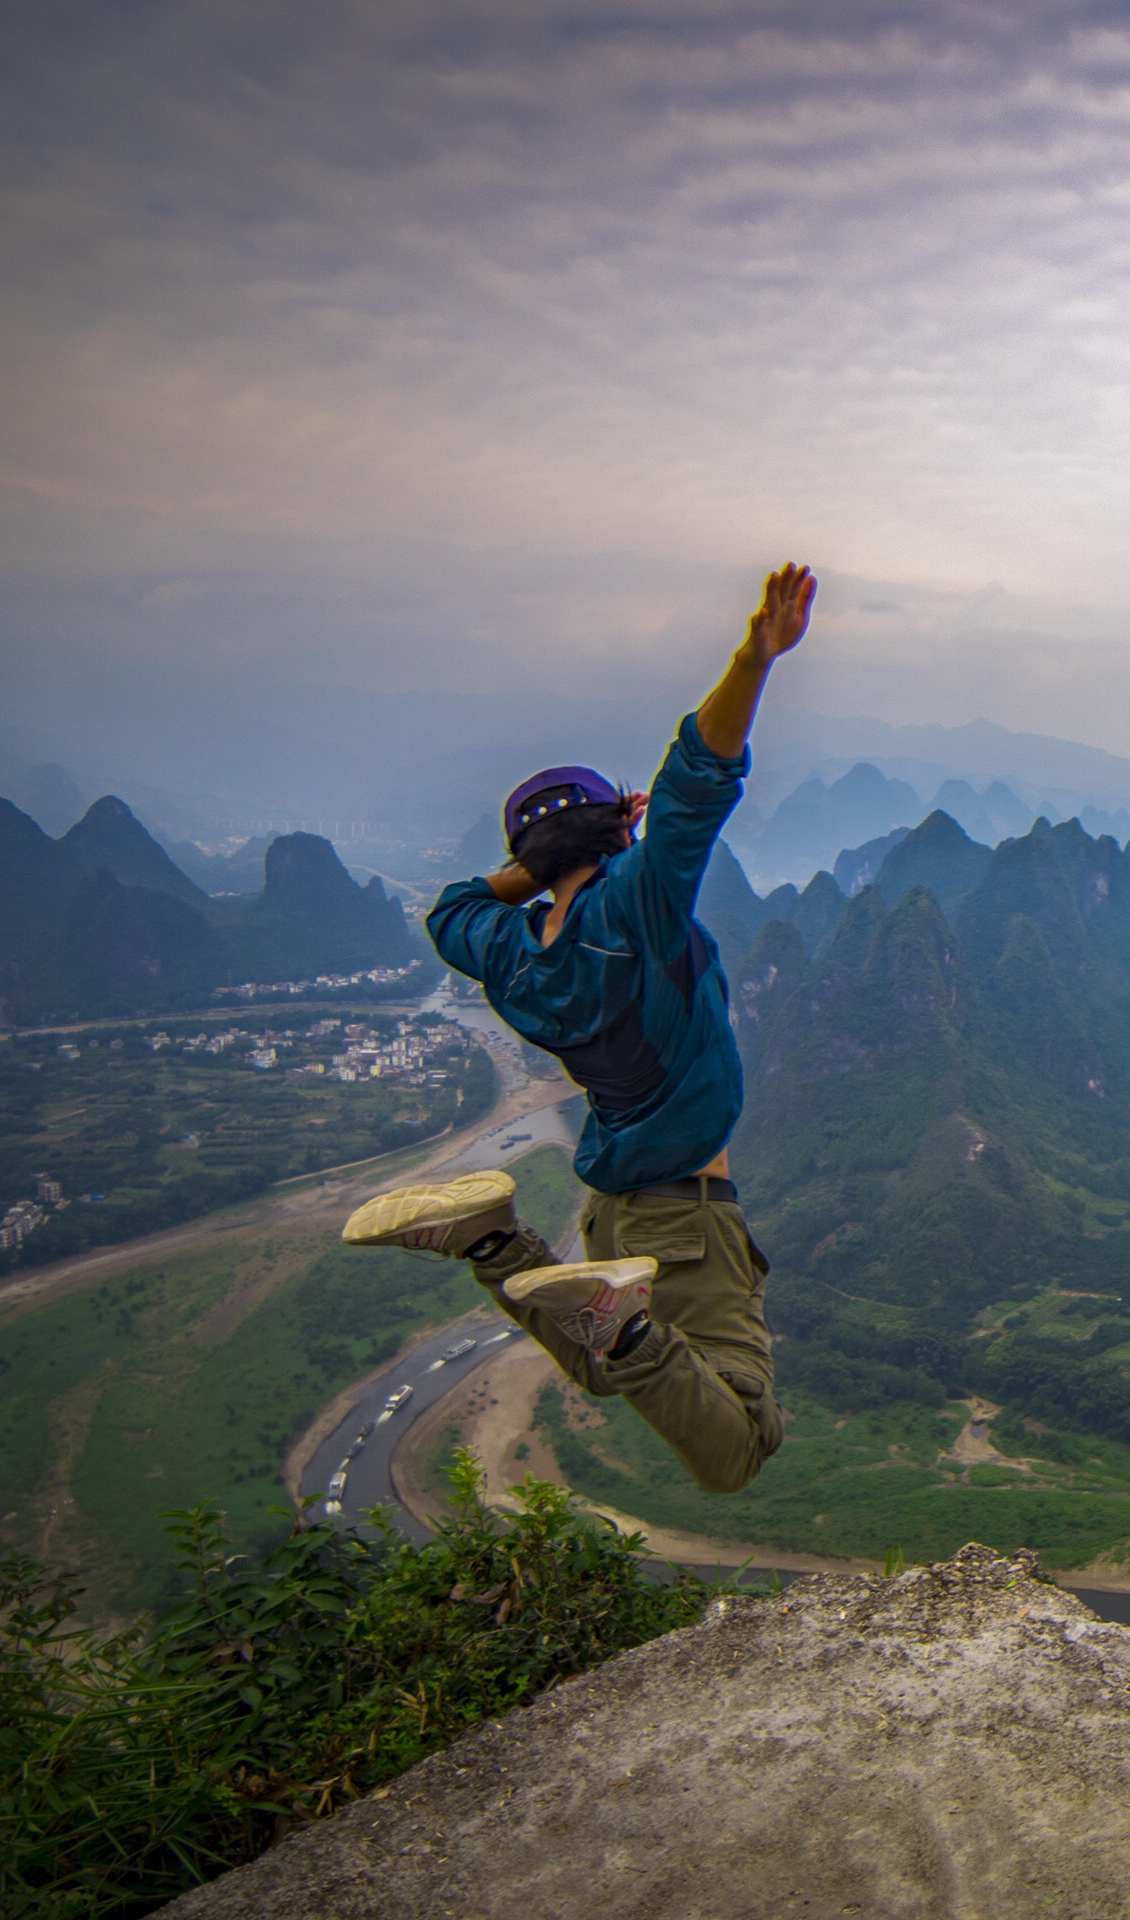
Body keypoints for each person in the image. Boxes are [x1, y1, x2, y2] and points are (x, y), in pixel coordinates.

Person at [340, 564, 816, 1495]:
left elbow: (455, 907)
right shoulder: (639, 906)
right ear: (619, 831)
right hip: (682, 1210)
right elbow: (696, 783)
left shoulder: (512, 951)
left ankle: (491, 1242)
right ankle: (617, 1312)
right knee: (737, 1446)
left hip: (613, 1203)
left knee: (608, 1368)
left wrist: (540, 862)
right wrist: (753, 662)